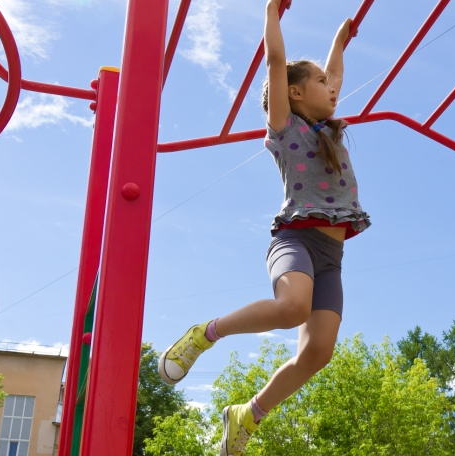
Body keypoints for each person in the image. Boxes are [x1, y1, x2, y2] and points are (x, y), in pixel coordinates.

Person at [158, 1, 369, 454]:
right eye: (318, 83)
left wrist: (339, 40)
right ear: (292, 93)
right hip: (296, 240)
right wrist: (273, 12)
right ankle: (204, 334)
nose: (331, 89)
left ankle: (247, 414)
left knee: (318, 354)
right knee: (292, 307)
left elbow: (335, 75)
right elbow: (276, 61)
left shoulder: (329, 129)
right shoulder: (284, 127)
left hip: (333, 258)